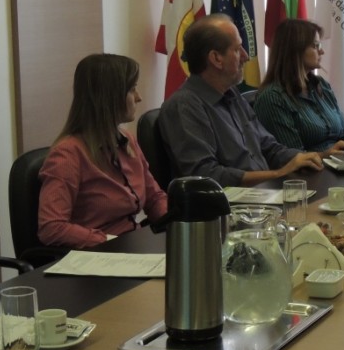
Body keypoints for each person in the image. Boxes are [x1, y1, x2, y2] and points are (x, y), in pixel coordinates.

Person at [159, 14, 323, 187]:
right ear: (216, 58)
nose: (246, 56)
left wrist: (304, 158)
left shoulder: (232, 94)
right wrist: (277, 174)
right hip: (233, 202)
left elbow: (269, 147)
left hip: (264, 193)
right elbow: (205, 175)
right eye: (237, 49)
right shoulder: (185, 105)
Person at [38, 54, 168, 248]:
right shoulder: (68, 155)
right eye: (132, 89)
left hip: (131, 246)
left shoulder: (127, 140)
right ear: (110, 97)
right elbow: (52, 227)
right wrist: (108, 242)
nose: (138, 97)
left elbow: (155, 198)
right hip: (99, 254)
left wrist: (176, 222)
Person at [254, 19, 344, 156]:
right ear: (295, 50)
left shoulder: (322, 86)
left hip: (342, 164)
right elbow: (291, 157)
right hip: (312, 169)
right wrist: (327, 155)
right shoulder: (272, 98)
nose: (322, 51)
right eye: (316, 46)